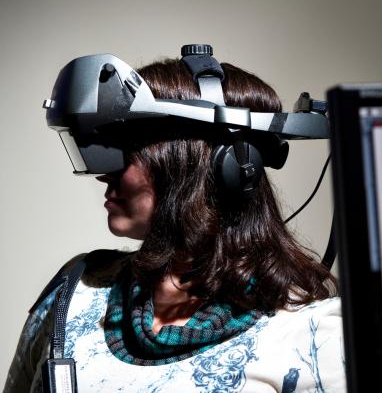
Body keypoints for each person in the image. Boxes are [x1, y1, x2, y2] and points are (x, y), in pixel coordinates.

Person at [4, 48, 345, 392]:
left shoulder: (313, 338)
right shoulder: (73, 290)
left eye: (121, 152)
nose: (102, 175)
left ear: (215, 168)